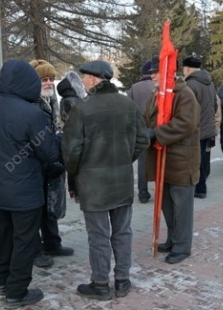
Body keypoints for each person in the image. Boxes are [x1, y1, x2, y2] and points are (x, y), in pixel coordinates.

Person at [0, 59, 62, 308]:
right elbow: (49, 154)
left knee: (2, 238)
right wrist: (58, 140)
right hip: (25, 195)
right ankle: (17, 291)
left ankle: (2, 281)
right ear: (28, 83)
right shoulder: (32, 113)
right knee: (24, 242)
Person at [62, 60, 148, 300]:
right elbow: (142, 140)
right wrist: (123, 159)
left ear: (93, 79)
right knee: (123, 232)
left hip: (93, 185)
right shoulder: (127, 105)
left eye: (85, 78)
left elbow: (71, 152)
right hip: (121, 181)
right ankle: (122, 280)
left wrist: (77, 174)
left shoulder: (82, 108)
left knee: (98, 235)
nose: (83, 82)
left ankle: (100, 284)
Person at [143, 55, 200, 265]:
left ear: (168, 72)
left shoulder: (184, 94)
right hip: (161, 159)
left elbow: (186, 124)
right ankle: (172, 239)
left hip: (181, 159)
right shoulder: (154, 95)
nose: (152, 75)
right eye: (151, 72)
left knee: (182, 207)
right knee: (166, 203)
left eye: (156, 71)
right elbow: (146, 118)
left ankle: (183, 246)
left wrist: (155, 133)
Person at [27, 59, 75, 270]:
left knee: (51, 206)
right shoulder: (30, 102)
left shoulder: (51, 99)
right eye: (43, 79)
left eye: (50, 79)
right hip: (35, 164)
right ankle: (36, 251)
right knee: (36, 210)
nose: (48, 83)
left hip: (51, 160)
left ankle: (52, 244)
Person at [182, 55, 216, 199]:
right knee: (203, 158)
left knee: (196, 160)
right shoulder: (209, 83)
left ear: (188, 68)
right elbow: (215, 104)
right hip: (208, 127)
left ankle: (200, 188)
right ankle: (200, 185)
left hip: (197, 129)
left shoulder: (190, 85)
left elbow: (188, 110)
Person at [126, 60, 155, 203]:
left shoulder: (134, 88)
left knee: (142, 163)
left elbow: (128, 109)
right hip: (158, 129)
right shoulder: (158, 86)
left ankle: (143, 194)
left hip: (140, 129)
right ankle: (162, 192)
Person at [57, 70, 87, 203]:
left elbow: (64, 117)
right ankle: (78, 191)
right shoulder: (75, 100)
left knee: (71, 163)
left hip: (68, 134)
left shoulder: (64, 99)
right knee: (77, 163)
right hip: (76, 134)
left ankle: (73, 191)